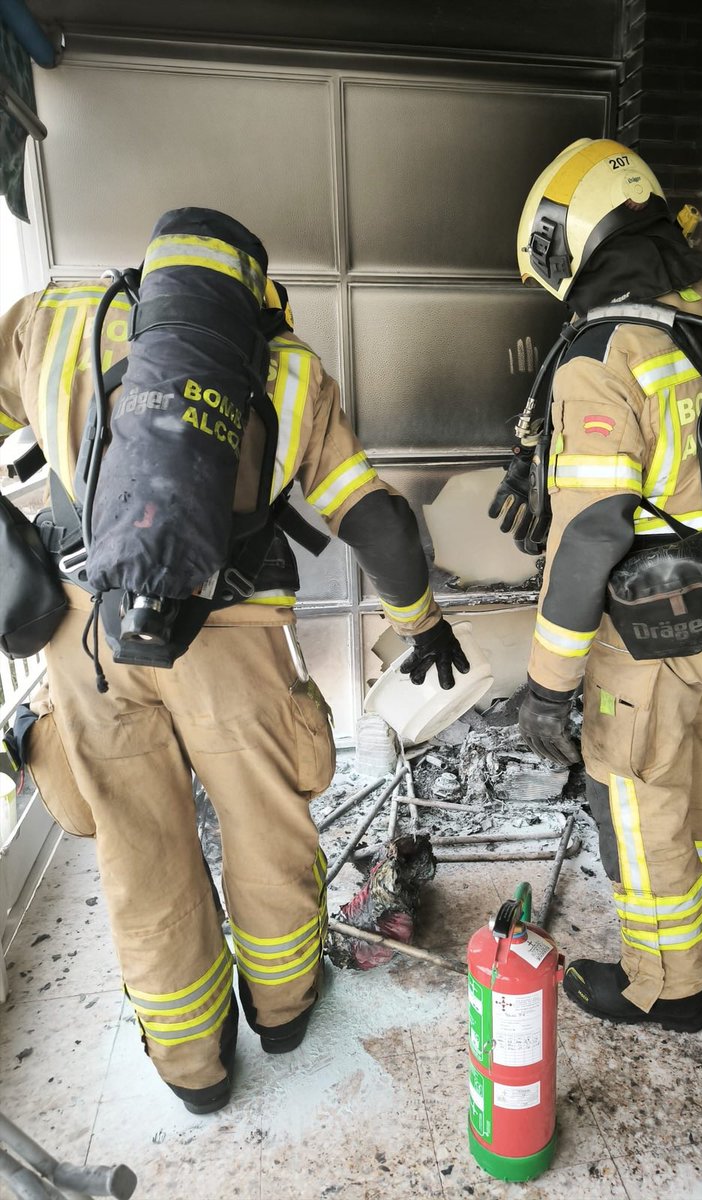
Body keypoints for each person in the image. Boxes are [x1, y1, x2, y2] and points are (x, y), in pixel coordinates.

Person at [0, 208, 468, 1113]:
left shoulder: (59, 320)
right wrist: (420, 621)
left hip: (88, 637)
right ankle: (284, 1010)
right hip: (236, 633)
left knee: (141, 851)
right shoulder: (289, 369)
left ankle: (194, 1069)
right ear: (256, 294)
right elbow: (373, 519)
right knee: (265, 826)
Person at [502, 139, 702, 1032]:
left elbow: (593, 533)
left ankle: (669, 985)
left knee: (643, 807)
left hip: (650, 640)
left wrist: (547, 683)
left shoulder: (604, 351)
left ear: (573, 235)